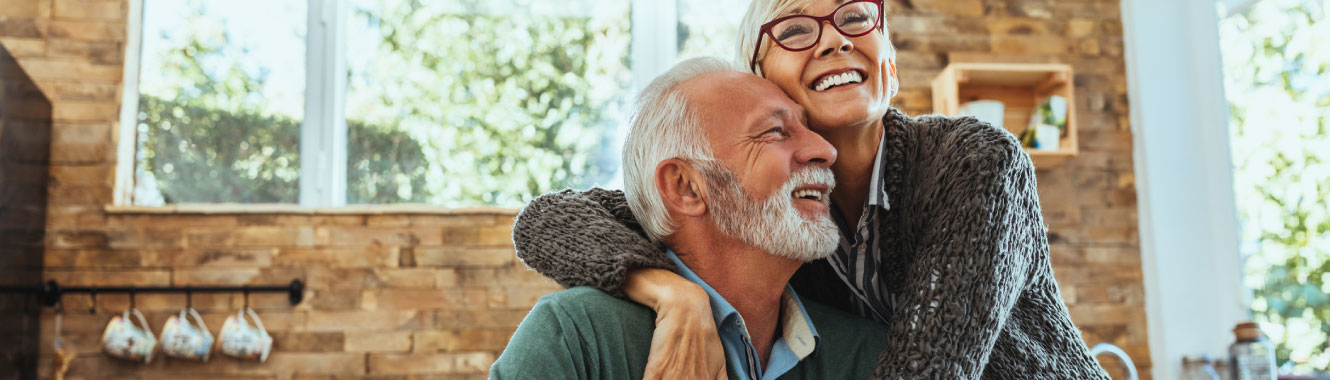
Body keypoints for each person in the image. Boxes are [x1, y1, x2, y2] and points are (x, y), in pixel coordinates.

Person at [511, 0, 1112, 379]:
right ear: (760, 81)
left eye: (855, 17)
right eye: (796, 28)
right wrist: (675, 294)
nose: (834, 39)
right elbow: (550, 219)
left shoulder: (973, 162)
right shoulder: (774, 217)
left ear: (891, 68)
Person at [491, 57, 886, 380]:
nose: (824, 149)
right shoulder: (577, 338)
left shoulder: (866, 354)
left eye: (809, 128)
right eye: (775, 131)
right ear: (686, 187)